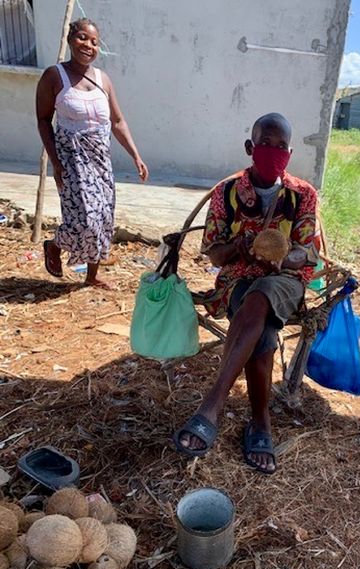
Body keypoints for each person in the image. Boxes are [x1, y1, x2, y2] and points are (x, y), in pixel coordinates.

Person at [173, 112, 319, 474]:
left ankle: (212, 404)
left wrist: (280, 255)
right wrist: (240, 246)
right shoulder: (228, 193)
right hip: (237, 279)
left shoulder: (302, 195)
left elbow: (307, 253)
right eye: (265, 145)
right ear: (250, 147)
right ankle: (260, 423)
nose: (273, 152)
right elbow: (214, 252)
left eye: (280, 147)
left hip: (286, 281)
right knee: (264, 330)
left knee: (264, 292)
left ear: (290, 151)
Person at [36, 17, 149, 289]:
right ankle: (54, 244)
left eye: (95, 42)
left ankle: (92, 275)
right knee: (84, 218)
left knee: (104, 217)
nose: (89, 45)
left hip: (101, 158)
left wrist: (136, 155)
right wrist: (55, 162)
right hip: (71, 158)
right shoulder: (54, 76)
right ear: (70, 40)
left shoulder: (103, 79)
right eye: (83, 38)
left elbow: (118, 122)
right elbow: (43, 119)